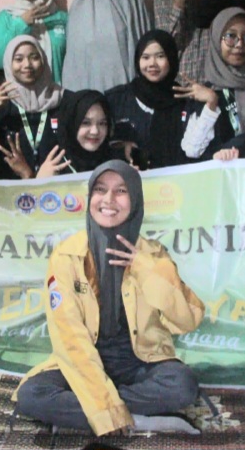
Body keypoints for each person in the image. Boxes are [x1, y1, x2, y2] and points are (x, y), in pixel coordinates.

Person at [14, 160, 203, 436]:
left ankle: (89, 415)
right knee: (32, 395)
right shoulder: (66, 256)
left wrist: (145, 268)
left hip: (141, 361)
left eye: (121, 191)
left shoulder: (153, 253)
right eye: (100, 190)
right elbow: (70, 339)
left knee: (182, 385)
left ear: (135, 200)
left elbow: (187, 319)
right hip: (84, 359)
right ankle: (133, 418)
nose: (109, 199)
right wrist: (105, 405)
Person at [106, 30, 222, 169]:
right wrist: (119, 145)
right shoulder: (118, 99)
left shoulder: (184, 100)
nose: (152, 63)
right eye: (145, 57)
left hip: (175, 181)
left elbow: (193, 150)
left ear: (171, 59)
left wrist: (211, 102)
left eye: (160, 56)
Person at [63, 0, 153, 93]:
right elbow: (73, 62)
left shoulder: (133, 6)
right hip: (89, 94)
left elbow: (145, 49)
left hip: (126, 92)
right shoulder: (78, 9)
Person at [0, 35, 70, 173]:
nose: (27, 64)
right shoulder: (1, 104)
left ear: (43, 60)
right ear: (8, 63)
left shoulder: (63, 99)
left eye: (34, 57)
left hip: (57, 181)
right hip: (12, 181)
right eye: (18, 59)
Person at [201, 8, 245, 140]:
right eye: (231, 36)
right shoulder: (205, 92)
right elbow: (193, 147)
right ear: (216, 39)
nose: (240, 44)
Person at [41, 90, 118, 177]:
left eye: (102, 123)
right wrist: (40, 181)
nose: (95, 131)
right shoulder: (54, 166)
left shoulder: (116, 163)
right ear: (71, 124)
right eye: (86, 123)